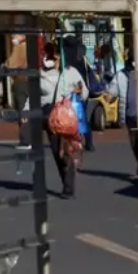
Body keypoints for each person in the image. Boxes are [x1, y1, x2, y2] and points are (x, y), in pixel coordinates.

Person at [38, 49, 88, 198]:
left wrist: (79, 91)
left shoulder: (70, 72)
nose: (49, 58)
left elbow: (85, 92)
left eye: (53, 55)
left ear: (59, 56)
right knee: (56, 152)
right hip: (49, 117)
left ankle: (68, 187)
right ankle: (65, 180)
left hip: (66, 116)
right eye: (47, 55)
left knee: (67, 151)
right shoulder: (40, 74)